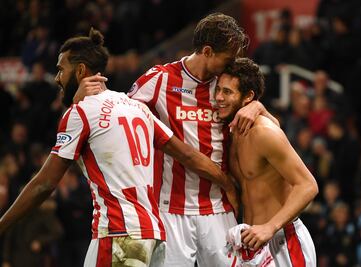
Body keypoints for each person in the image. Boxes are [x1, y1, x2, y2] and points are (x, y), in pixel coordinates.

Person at [0, 28, 237, 267]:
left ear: (81, 70)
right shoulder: (136, 107)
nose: (57, 77)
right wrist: (226, 181)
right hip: (153, 234)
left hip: (116, 234)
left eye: (61, 69)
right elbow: (187, 154)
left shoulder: (79, 112)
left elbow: (44, 184)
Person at [75, 13, 278, 266]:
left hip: (218, 208)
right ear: (207, 51)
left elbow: (274, 129)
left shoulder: (226, 86)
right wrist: (84, 98)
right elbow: (120, 116)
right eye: (229, 57)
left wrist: (258, 108)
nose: (233, 63)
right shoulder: (160, 80)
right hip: (169, 210)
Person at [216, 58, 318, 266]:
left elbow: (308, 186)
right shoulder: (230, 131)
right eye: (218, 90)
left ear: (248, 97)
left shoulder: (263, 132)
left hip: (283, 239)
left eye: (227, 92)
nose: (218, 97)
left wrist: (270, 227)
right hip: (250, 241)